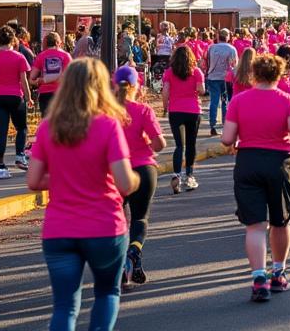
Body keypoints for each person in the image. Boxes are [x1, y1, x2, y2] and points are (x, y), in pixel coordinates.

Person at [26, 58, 138, 331]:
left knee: (64, 306)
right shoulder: (108, 125)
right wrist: (137, 177)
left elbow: (34, 180)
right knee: (107, 292)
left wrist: (67, 177)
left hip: (60, 229)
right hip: (104, 227)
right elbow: (124, 183)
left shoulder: (48, 127)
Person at [222, 54, 290, 300]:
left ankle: (259, 278)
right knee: (281, 221)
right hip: (279, 162)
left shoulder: (239, 101)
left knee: (255, 225)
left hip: (248, 161)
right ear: (279, 75)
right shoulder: (288, 100)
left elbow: (227, 138)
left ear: (254, 74)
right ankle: (278, 273)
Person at [114, 65, 164, 288]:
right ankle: (134, 252)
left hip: (115, 172)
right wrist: (146, 143)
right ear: (137, 86)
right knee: (140, 218)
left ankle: (121, 264)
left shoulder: (104, 113)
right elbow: (159, 144)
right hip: (144, 169)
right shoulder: (143, 110)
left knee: (117, 220)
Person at [0, 25, 34, 179]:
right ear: (13, 40)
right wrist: (29, 97)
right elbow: (23, 80)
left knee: (1, 132)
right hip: (15, 96)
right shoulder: (19, 57)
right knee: (21, 128)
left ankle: (0, 166)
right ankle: (20, 155)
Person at [161, 44, 206, 193]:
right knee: (191, 144)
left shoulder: (169, 72)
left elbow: (165, 92)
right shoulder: (196, 72)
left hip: (175, 110)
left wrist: (165, 107)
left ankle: (176, 175)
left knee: (179, 145)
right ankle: (189, 176)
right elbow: (201, 90)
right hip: (193, 110)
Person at [30, 32, 72, 119]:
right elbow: (71, 76)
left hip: (45, 94)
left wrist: (39, 81)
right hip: (61, 93)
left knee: (47, 122)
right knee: (62, 121)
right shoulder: (66, 56)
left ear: (46, 43)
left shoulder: (41, 56)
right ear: (58, 42)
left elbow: (31, 78)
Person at [205, 29, 239, 136]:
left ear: (218, 36)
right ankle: (225, 123)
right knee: (225, 101)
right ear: (228, 37)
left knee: (214, 101)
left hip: (213, 77)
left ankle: (213, 125)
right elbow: (234, 66)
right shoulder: (231, 49)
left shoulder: (211, 48)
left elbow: (207, 62)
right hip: (225, 79)